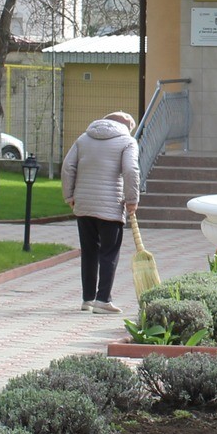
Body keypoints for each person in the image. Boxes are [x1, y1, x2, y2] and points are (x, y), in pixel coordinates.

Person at [61, 110, 140, 313]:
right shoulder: (127, 142)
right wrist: (132, 199)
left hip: (83, 204)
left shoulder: (83, 139)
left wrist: (69, 196)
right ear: (127, 127)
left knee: (89, 251)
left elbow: (68, 167)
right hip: (110, 206)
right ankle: (103, 299)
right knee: (109, 252)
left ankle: (88, 299)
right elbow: (131, 170)